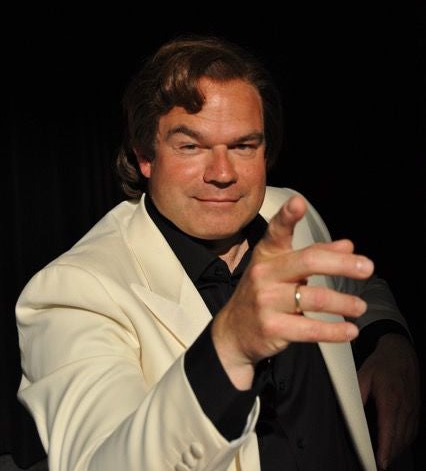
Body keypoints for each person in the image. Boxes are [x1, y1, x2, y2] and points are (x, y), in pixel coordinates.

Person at [16, 34, 420, 471]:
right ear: (145, 156)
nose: (223, 173)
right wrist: (228, 347)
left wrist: (390, 344)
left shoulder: (290, 214)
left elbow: (357, 286)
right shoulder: (73, 290)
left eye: (243, 146)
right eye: (192, 146)